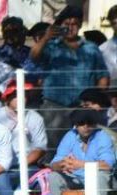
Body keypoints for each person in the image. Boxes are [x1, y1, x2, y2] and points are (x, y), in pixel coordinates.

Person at [31, 5, 108, 150]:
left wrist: (96, 101)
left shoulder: (91, 48)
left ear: (79, 25)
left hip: (83, 107)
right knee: (53, 148)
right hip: (54, 107)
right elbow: (34, 56)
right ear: (60, 26)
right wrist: (46, 37)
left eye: (74, 24)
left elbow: (103, 76)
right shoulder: (52, 46)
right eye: (66, 24)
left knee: (85, 147)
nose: (70, 28)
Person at [44, 108, 115, 195]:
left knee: (100, 176)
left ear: (95, 124)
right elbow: (53, 164)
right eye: (81, 123)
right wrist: (62, 164)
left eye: (90, 123)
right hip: (76, 178)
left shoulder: (103, 136)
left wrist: (80, 164)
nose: (86, 126)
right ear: (76, 125)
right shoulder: (69, 135)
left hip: (100, 180)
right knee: (54, 176)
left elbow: (108, 165)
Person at [0, 79, 46, 169]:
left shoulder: (35, 118)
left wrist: (21, 166)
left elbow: (40, 148)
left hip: (27, 166)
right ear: (7, 97)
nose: (21, 98)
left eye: (24, 95)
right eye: (16, 95)